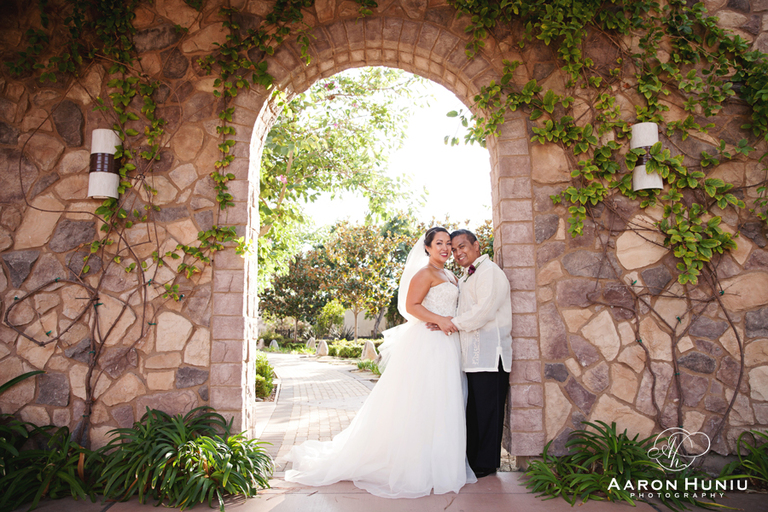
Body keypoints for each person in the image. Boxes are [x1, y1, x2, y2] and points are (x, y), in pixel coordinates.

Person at [284, 227, 477, 498]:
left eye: (448, 244)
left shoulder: (450, 274)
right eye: (439, 243)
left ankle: (439, 464)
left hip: (448, 345)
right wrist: (439, 319)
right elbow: (411, 306)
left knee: (444, 401)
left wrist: (449, 320)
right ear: (427, 247)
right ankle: (415, 466)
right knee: (423, 401)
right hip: (430, 345)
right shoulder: (425, 273)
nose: (445, 248)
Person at [442, 229, 512, 478]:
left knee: (488, 411)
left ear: (476, 245)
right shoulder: (466, 276)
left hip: (491, 355)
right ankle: (474, 461)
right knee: (474, 411)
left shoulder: (490, 272)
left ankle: (486, 464)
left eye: (462, 247)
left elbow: (485, 311)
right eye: (454, 250)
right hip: (472, 356)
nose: (458, 253)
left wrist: (452, 323)